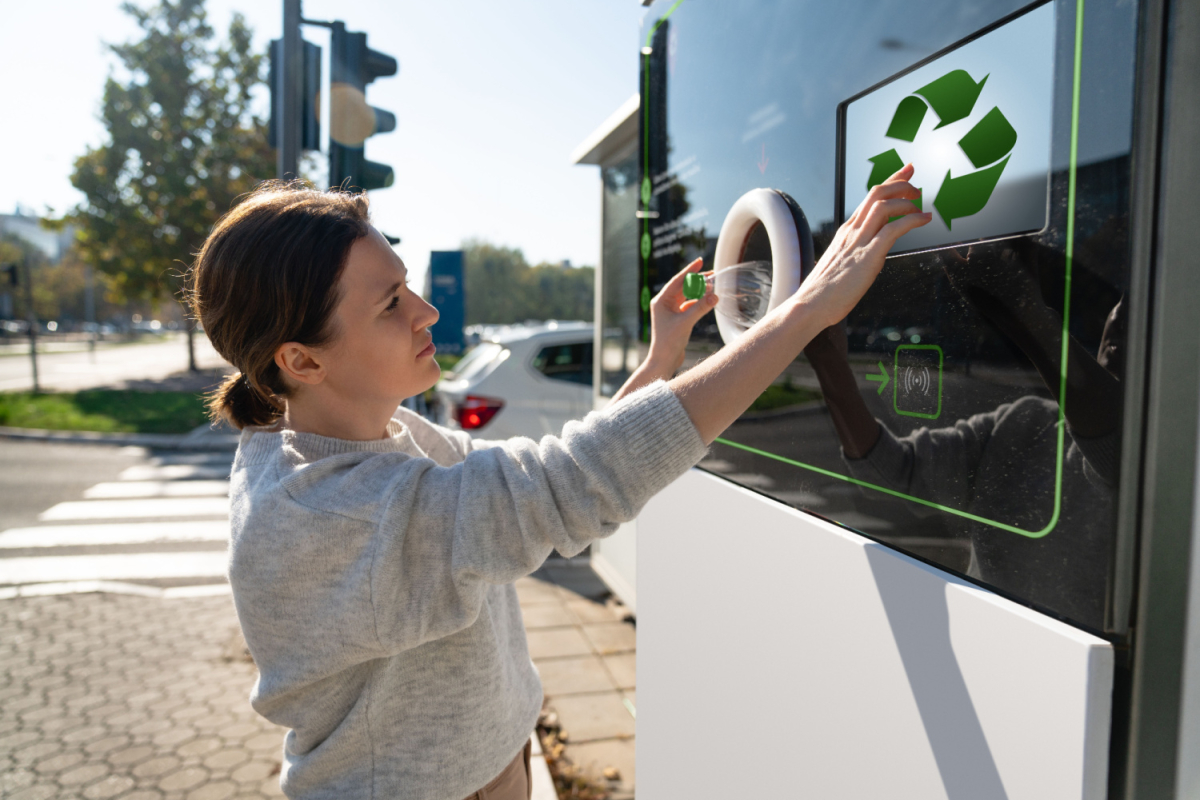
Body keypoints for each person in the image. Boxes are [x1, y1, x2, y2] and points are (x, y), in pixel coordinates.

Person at [187, 166, 928, 800]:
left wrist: (657, 361)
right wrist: (804, 312)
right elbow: (562, 488)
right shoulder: (330, 515)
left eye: (405, 285)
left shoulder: (376, 438)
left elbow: (533, 489)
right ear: (303, 362)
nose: (426, 311)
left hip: (483, 773)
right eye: (389, 304)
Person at [803, 240, 1123, 625]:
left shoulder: (1169, 468)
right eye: (1126, 300)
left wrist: (1025, 313)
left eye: (1160, 308)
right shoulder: (1021, 424)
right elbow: (888, 473)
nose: (1124, 314)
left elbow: (1117, 451)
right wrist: (826, 357)